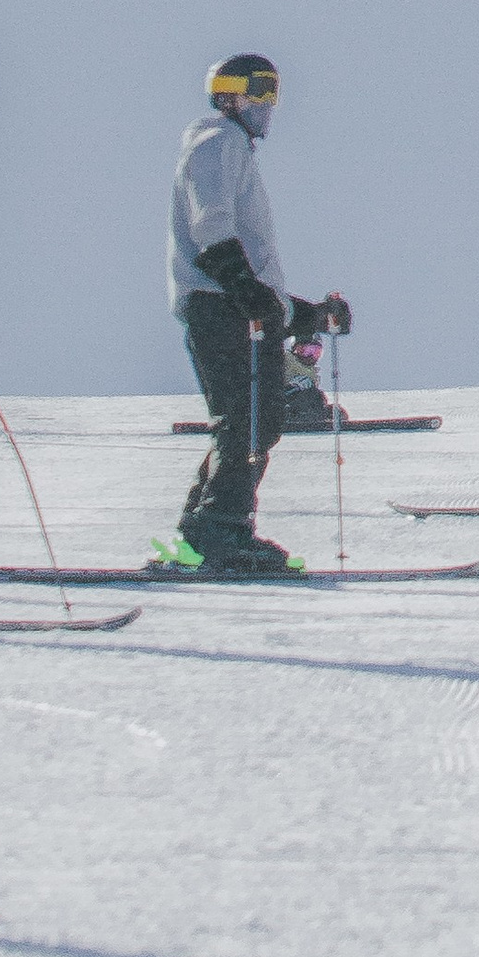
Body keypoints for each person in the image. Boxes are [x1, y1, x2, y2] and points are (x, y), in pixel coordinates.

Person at [168, 55, 350, 574]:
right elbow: (212, 228)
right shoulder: (217, 143)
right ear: (228, 95)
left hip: (231, 304)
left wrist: (305, 313)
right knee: (246, 422)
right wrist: (244, 287)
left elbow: (257, 277)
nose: (268, 104)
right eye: (259, 91)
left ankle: (205, 529)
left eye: (273, 92)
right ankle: (222, 532)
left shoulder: (233, 150)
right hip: (219, 304)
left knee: (253, 422)